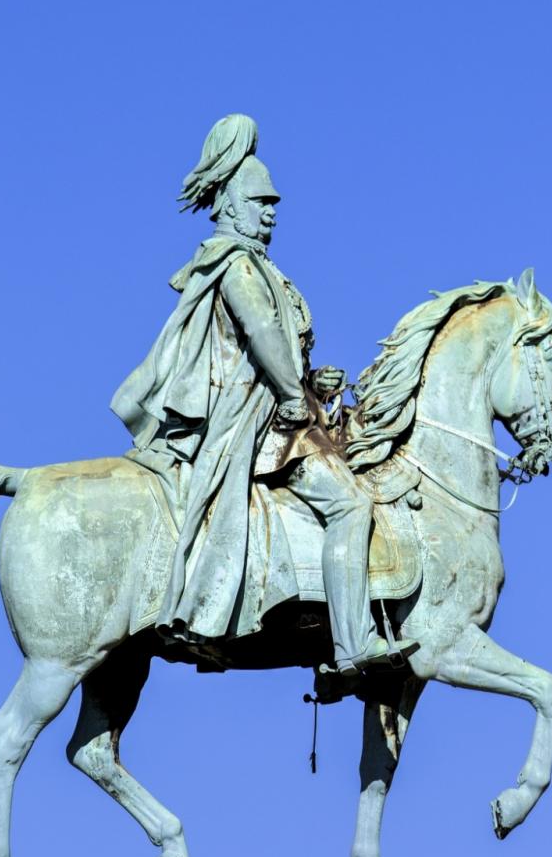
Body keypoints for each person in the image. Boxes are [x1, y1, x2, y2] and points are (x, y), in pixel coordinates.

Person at [110, 113, 416, 672]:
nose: (271, 212)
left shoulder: (256, 266)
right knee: (351, 504)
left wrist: (310, 380)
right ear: (230, 205)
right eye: (261, 203)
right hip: (260, 420)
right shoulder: (236, 266)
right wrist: (294, 397)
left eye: (273, 204)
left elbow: (282, 347)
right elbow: (262, 334)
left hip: (282, 406)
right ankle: (351, 646)